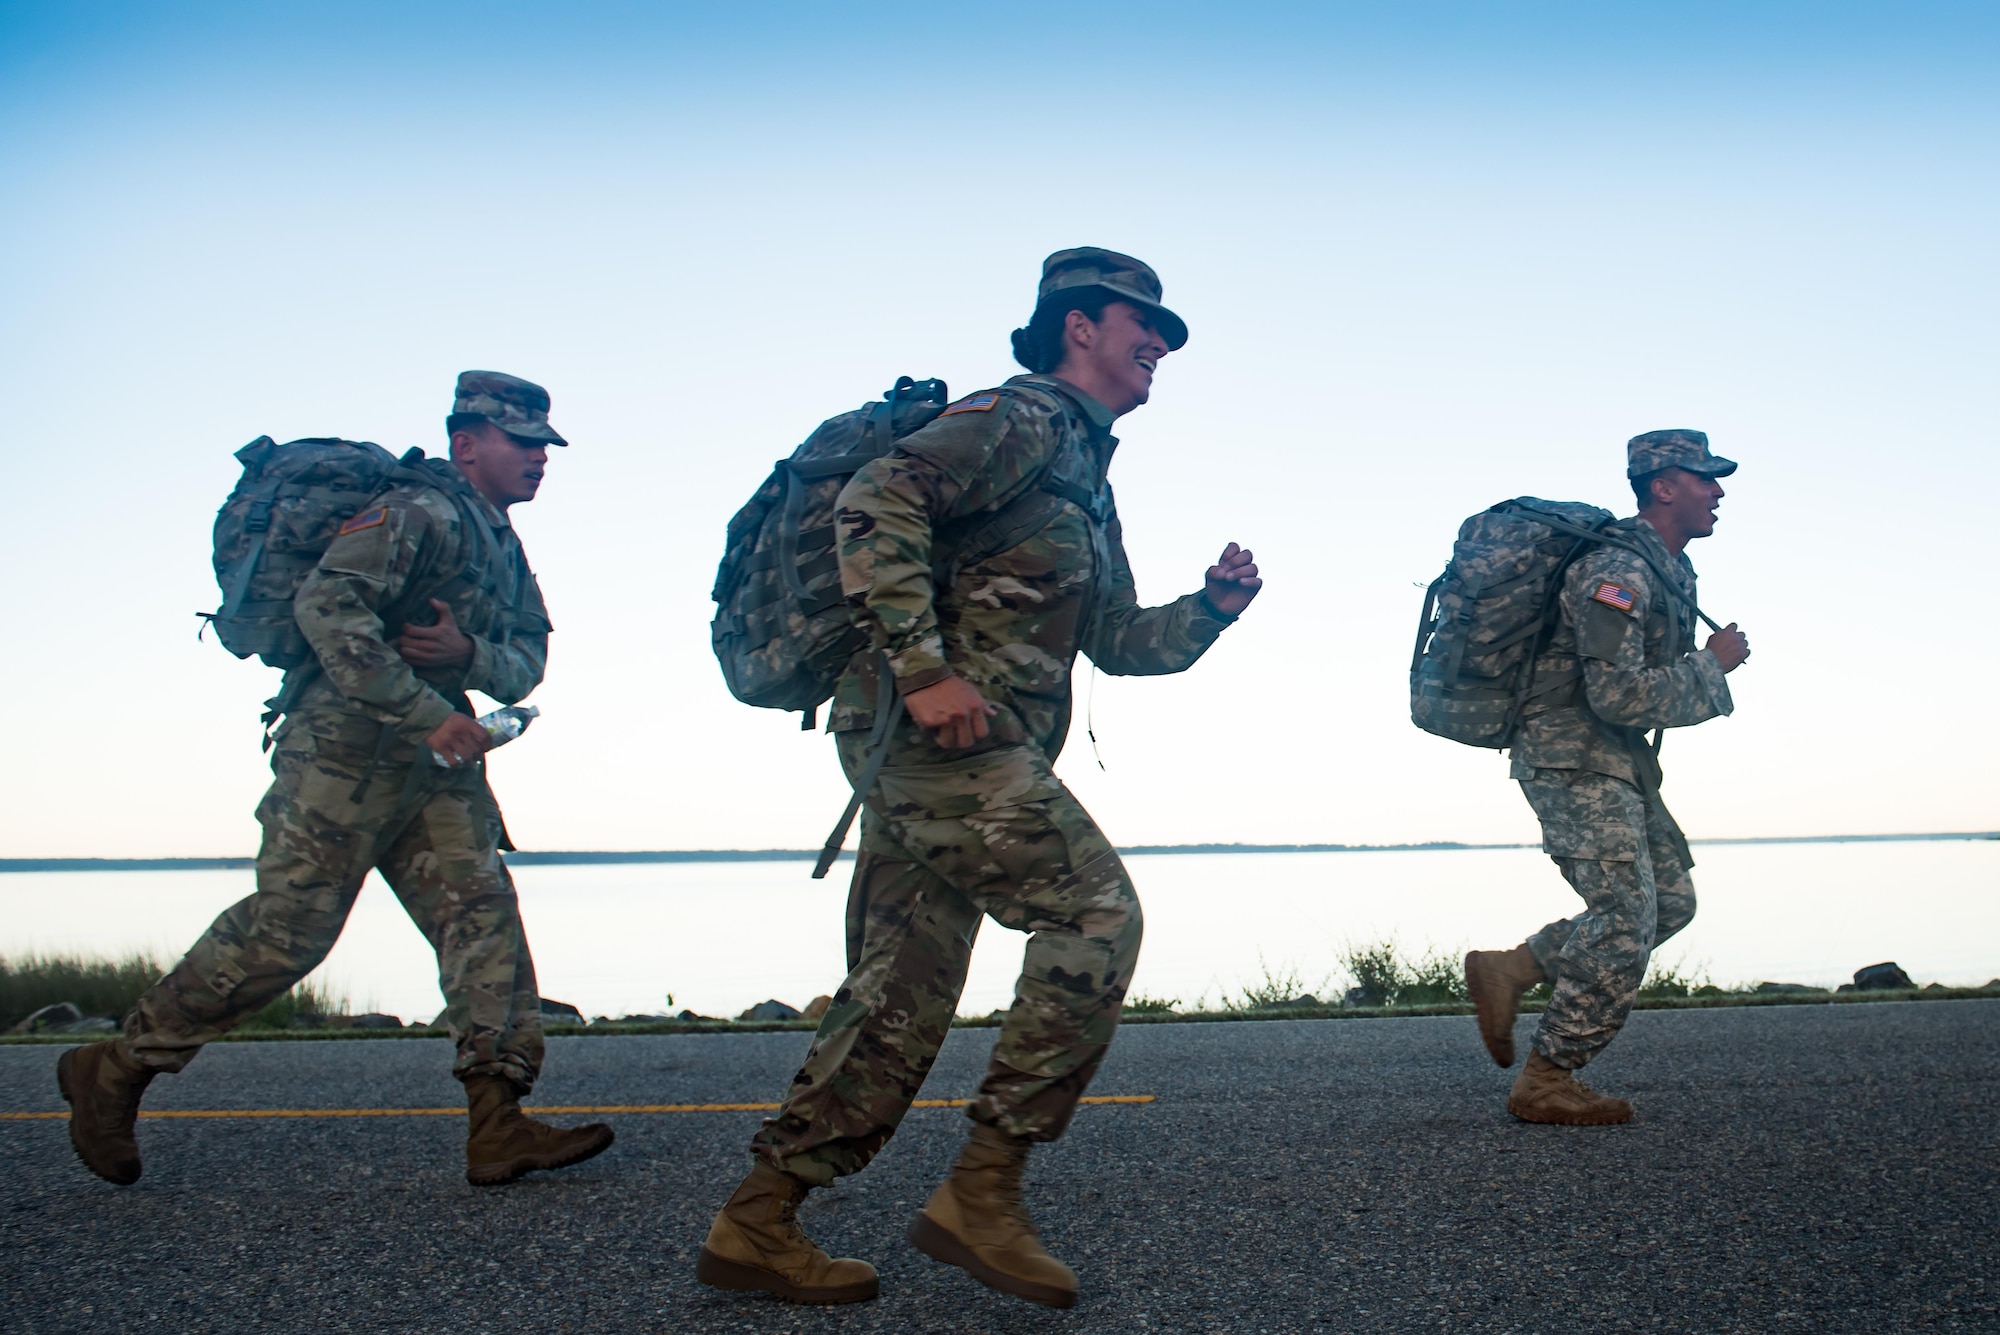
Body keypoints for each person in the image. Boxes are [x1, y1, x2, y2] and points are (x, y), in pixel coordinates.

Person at [696, 248, 1263, 1308]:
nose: (1158, 346)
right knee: (1096, 915)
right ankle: (982, 1193)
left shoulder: (1082, 475)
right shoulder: (1019, 418)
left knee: (897, 998)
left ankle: (757, 1221)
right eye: (1140, 324)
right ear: (1075, 327)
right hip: (931, 742)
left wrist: (1213, 607)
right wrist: (922, 672)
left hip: (959, 752)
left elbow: (1120, 641)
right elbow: (875, 499)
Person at [57, 371, 613, 1187]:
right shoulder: (418, 510)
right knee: (289, 931)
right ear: (468, 443)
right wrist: (425, 710)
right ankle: (116, 1065)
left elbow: (526, 658)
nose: (539, 458)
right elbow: (326, 605)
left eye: (543, 444)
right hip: (344, 751)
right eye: (522, 442)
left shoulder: (500, 542)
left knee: (481, 915)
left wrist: (467, 658)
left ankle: (499, 1122)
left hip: (436, 762)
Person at [1464, 429, 1751, 1124]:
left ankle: (1514, 967)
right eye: (1704, 477)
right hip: (1573, 755)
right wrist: (1713, 665)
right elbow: (1617, 693)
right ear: (1663, 486)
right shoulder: (1618, 572)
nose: (1718, 491)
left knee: (1670, 900)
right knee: (1625, 915)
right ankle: (1547, 1076)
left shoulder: (1665, 569)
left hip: (1617, 762)